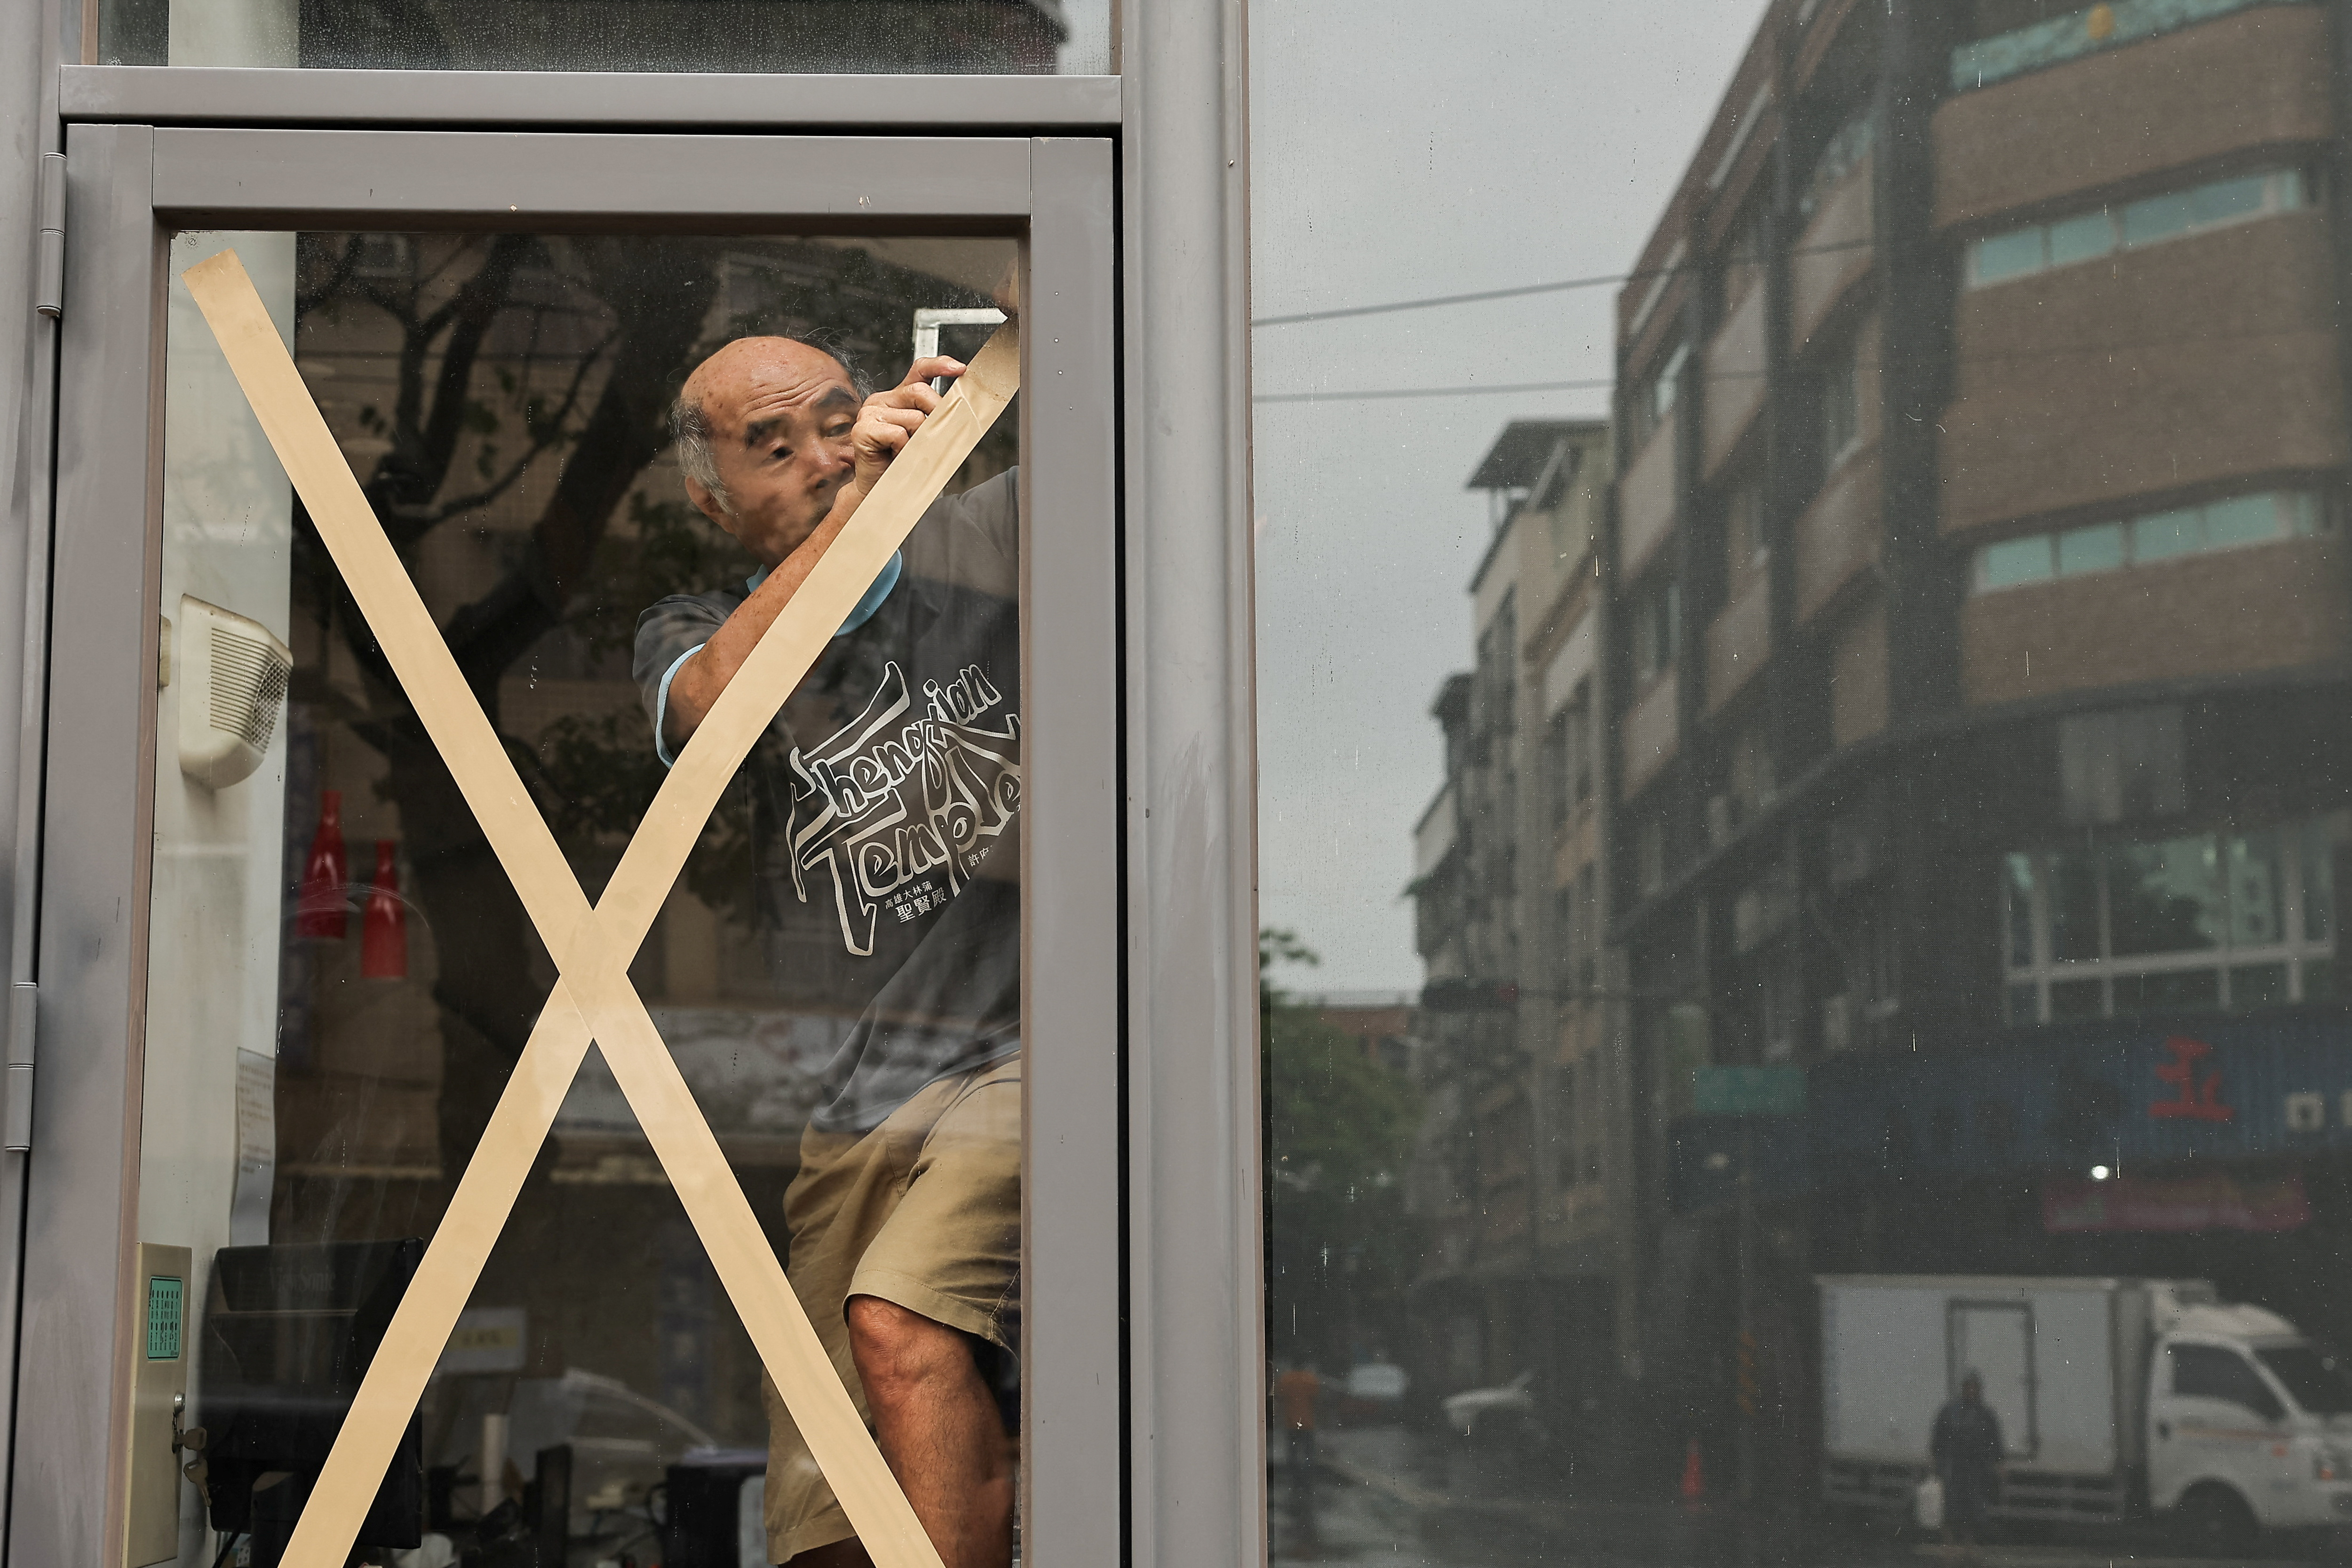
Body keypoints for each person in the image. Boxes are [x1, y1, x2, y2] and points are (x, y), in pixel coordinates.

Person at [634, 331, 1021, 1568]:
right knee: (822, 1520)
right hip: (858, 1102)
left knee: (900, 1323)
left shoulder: (992, 538)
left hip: (1023, 1049)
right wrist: (853, 519)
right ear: (711, 497)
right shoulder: (691, 626)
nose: (821, 452)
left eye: (839, 418)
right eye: (773, 445)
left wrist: (940, 444)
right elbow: (703, 713)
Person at [1930, 1371, 2004, 1544]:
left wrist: (1999, 1464)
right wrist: (1935, 1462)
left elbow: (1995, 1441)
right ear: (1963, 1389)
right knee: (1950, 1508)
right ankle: (1949, 1545)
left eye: (1974, 1387)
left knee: (1974, 1511)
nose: (1971, 1391)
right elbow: (1938, 1439)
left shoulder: (1986, 1415)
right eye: (1968, 1387)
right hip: (1953, 1469)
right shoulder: (1949, 1411)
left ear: (1979, 1389)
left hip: (1977, 1471)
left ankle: (1969, 1545)